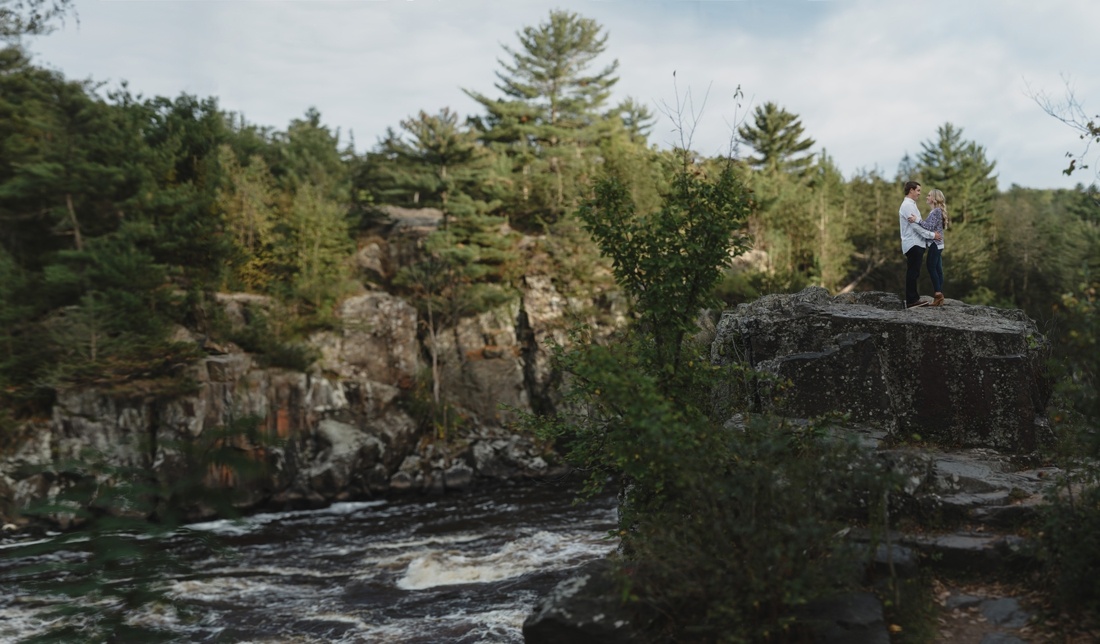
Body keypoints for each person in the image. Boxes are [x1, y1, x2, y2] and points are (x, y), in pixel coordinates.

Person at [898, 181, 941, 308]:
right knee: (913, 272)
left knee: (914, 272)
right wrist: (932, 235)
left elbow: (918, 223)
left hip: (917, 243)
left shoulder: (911, 205)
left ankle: (913, 298)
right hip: (913, 243)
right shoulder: (907, 206)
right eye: (918, 191)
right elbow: (916, 227)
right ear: (911, 190)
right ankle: (912, 301)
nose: (919, 194)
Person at [908, 189, 948, 306]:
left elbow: (929, 227)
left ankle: (938, 294)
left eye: (929, 195)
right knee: (938, 270)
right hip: (938, 244)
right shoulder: (936, 211)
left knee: (931, 268)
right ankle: (939, 295)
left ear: (934, 199)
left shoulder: (936, 211)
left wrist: (917, 220)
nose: (926, 197)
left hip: (935, 244)